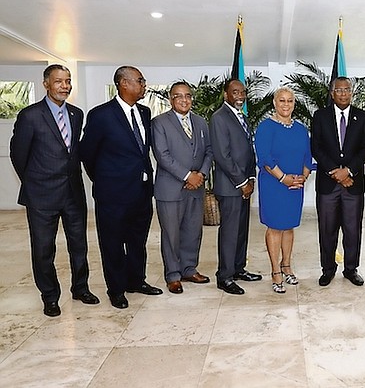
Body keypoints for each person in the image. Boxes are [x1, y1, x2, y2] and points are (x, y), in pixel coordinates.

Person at [9, 64, 99, 317]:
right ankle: (50, 296)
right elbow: (19, 156)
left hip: (73, 193)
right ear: (46, 84)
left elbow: (74, 153)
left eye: (68, 81)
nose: (65, 86)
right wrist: (35, 184)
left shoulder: (76, 114)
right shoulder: (30, 116)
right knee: (43, 249)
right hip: (41, 197)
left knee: (79, 245)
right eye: (59, 81)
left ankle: (80, 288)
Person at [81, 65, 162, 310]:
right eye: (140, 80)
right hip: (112, 194)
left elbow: (141, 152)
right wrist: (105, 180)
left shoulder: (145, 113)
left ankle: (136, 281)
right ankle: (116, 290)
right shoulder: (101, 115)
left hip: (142, 191)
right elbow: (87, 154)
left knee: (138, 240)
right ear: (124, 84)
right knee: (113, 243)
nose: (144, 85)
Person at [151, 81, 213, 294]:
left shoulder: (201, 122)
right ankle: (173, 275)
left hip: (195, 189)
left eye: (187, 95)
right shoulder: (159, 123)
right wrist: (188, 176)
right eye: (179, 96)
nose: (184, 99)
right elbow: (162, 155)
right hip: (170, 189)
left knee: (193, 231)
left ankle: (189, 268)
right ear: (171, 99)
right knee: (171, 234)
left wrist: (201, 174)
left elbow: (209, 152)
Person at [311, 76, 365, 286]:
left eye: (347, 90)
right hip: (328, 185)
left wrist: (348, 171)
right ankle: (328, 269)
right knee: (327, 230)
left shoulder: (362, 117)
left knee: (353, 229)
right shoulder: (320, 116)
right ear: (332, 93)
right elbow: (316, 147)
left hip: (353, 185)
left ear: (351, 93)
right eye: (339, 90)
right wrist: (335, 172)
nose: (344, 93)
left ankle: (351, 269)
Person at [255, 87, 312, 293]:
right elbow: (265, 158)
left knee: (289, 227)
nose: (286, 104)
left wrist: (302, 178)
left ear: (294, 104)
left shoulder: (300, 129)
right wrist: (283, 178)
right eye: (282, 101)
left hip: (295, 185)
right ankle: (275, 271)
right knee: (275, 227)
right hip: (274, 185)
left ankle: (286, 265)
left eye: (289, 101)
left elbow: (308, 156)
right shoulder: (266, 127)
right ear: (274, 103)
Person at [210, 78, 262, 295]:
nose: (240, 95)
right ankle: (225, 276)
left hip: (244, 185)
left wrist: (251, 178)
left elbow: (248, 152)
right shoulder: (219, 118)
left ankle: (239, 268)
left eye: (242, 92)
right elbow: (222, 155)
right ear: (226, 94)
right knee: (230, 232)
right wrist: (241, 182)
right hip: (231, 186)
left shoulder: (243, 117)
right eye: (235, 92)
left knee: (241, 230)